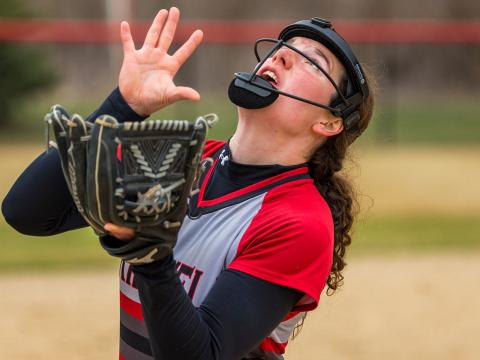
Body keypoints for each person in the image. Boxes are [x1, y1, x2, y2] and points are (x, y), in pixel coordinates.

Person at [2, 7, 374, 360]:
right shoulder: (181, 163)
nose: (281, 56)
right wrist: (123, 106)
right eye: (283, 48)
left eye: (312, 61)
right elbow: (27, 213)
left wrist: (151, 256)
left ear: (329, 122)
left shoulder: (299, 222)